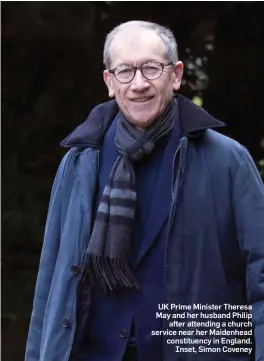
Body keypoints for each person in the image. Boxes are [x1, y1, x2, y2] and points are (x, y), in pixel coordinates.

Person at [25, 20, 264, 361]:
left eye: (151, 68)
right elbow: (50, 284)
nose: (138, 84)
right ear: (109, 81)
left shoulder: (227, 161)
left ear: (176, 75)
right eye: (124, 71)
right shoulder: (79, 162)